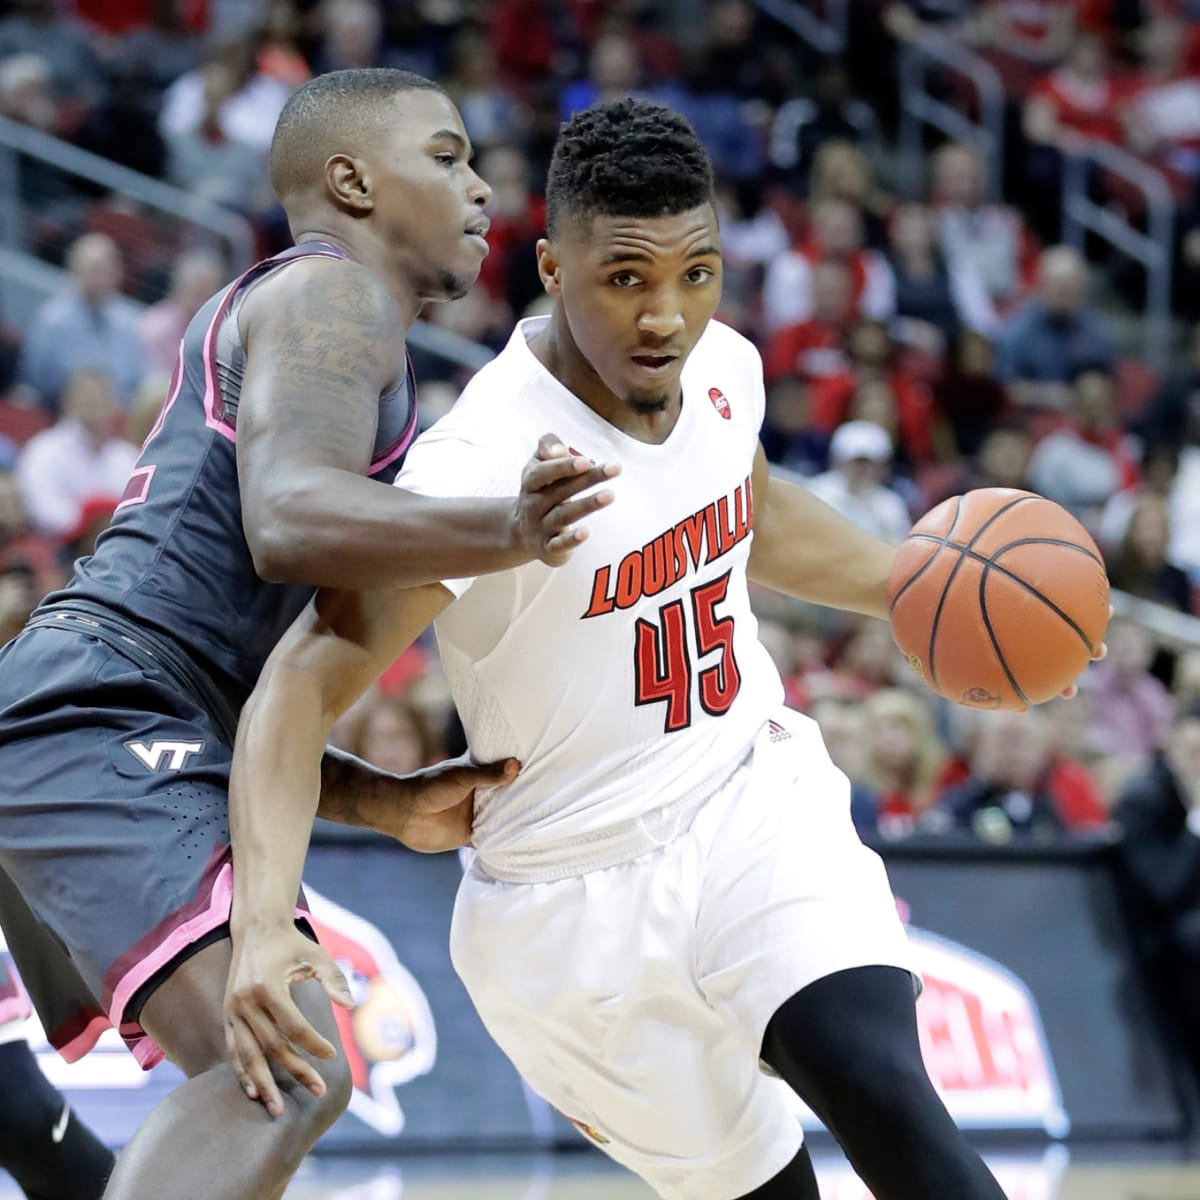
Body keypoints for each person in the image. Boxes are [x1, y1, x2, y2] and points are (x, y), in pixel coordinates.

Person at [226, 99, 1101, 1200]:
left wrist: (915, 589)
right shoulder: (482, 464)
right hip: (566, 902)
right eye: (626, 278)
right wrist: (263, 924)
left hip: (744, 796)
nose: (667, 317)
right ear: (550, 267)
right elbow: (298, 686)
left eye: (697, 274)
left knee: (881, 1087)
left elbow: (752, 510)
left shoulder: (728, 367)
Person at [0, 68, 614, 1200]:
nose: (483, 190)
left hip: (109, 709)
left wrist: (375, 799)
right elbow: (285, 523)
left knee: (277, 1069)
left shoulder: (317, 316)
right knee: (287, 1060)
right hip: (97, 710)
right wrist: (510, 526)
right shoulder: (336, 297)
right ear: (351, 180)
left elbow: (222, 664)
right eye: (448, 156)